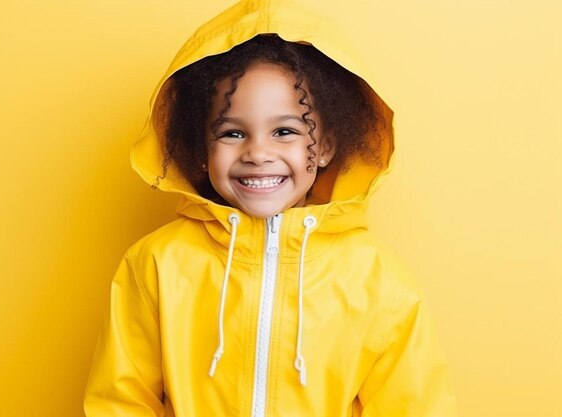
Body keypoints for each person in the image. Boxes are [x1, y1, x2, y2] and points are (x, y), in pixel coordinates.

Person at [84, 1, 458, 416]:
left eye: (285, 131)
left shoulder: (379, 280)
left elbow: (414, 408)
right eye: (232, 132)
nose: (258, 152)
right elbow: (119, 403)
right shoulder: (156, 265)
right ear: (202, 151)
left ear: (325, 148)